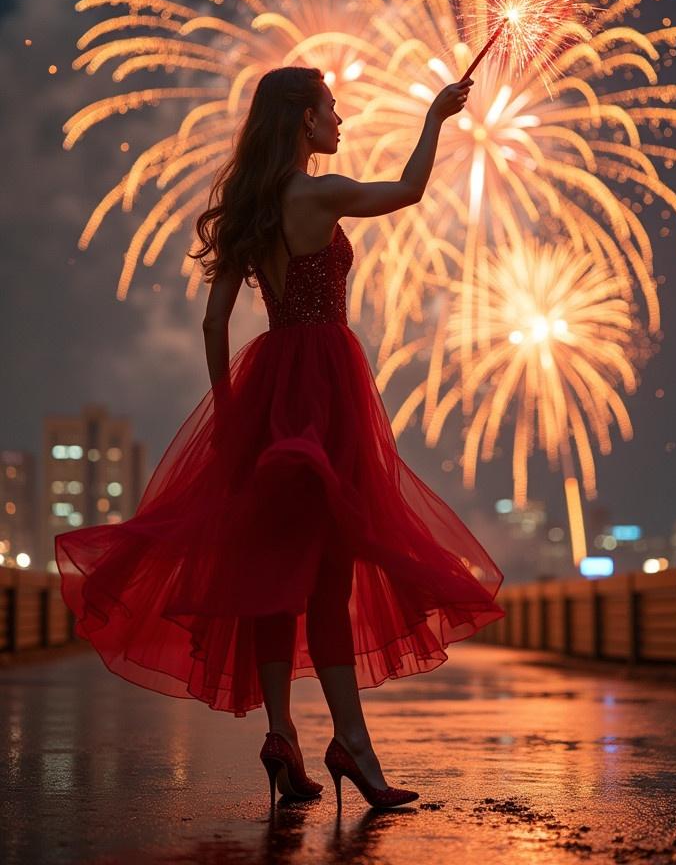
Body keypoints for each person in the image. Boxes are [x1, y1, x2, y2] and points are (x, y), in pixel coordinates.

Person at [55, 65, 505, 814]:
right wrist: (435, 118)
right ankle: (352, 744)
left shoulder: (253, 208)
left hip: (268, 393)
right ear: (301, 119)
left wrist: (233, 414)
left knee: (270, 574)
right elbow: (410, 191)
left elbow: (212, 324)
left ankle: (281, 735)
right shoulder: (321, 196)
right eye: (330, 108)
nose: (340, 118)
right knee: (329, 577)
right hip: (326, 387)